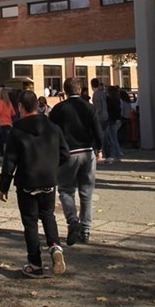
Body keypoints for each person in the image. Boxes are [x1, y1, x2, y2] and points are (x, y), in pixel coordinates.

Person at [0, 90, 70, 278]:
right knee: (48, 215)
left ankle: (35, 264)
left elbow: (10, 161)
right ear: (37, 105)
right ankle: (55, 246)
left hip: (27, 181)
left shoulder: (17, 130)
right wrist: (53, 168)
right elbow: (65, 154)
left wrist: (3, 186)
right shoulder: (53, 127)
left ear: (21, 107)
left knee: (30, 222)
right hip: (48, 179)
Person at [48, 77, 103, 246]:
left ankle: (72, 220)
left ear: (65, 90)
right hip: (87, 151)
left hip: (66, 153)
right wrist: (99, 148)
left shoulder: (58, 109)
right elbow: (97, 130)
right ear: (80, 90)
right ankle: (85, 230)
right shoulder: (89, 107)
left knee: (65, 190)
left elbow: (51, 132)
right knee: (86, 192)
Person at [104, 86, 123, 164]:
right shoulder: (117, 100)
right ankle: (117, 154)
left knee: (110, 138)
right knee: (114, 138)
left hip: (110, 119)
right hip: (114, 120)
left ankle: (115, 155)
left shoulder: (109, 100)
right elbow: (118, 110)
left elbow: (109, 109)